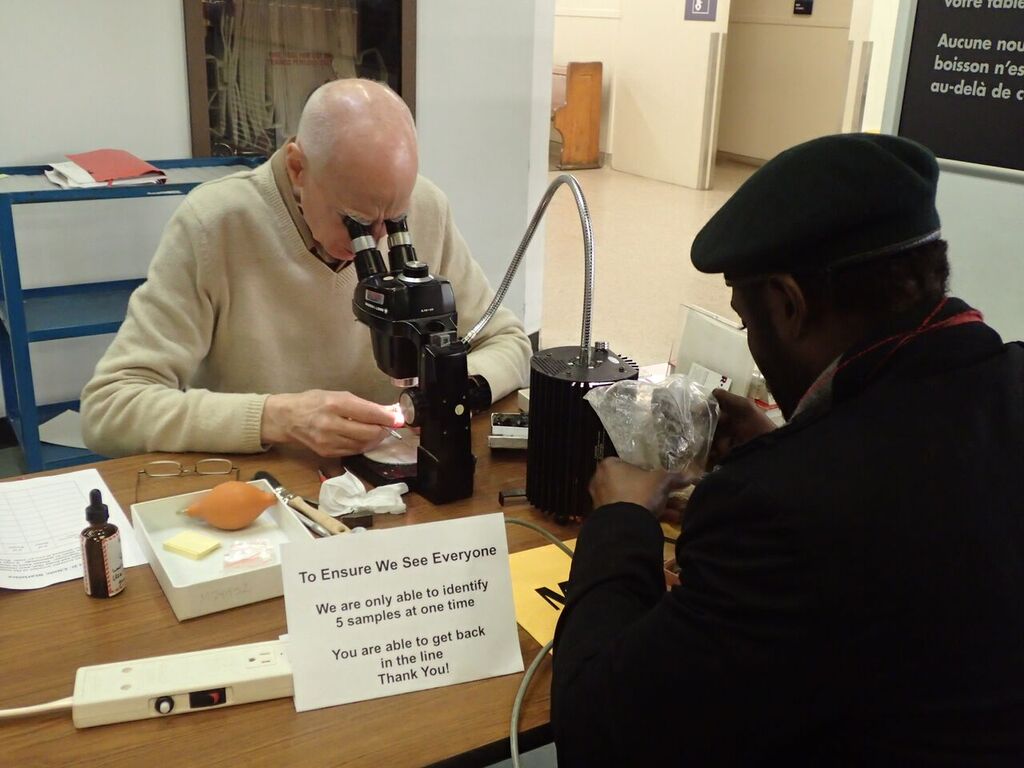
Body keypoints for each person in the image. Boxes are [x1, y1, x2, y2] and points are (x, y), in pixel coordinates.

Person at [551, 133, 1024, 766]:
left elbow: (595, 732)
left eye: (749, 321)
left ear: (790, 304)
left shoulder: (776, 513)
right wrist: (795, 443)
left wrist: (621, 520)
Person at [81, 79, 530, 458]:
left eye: (394, 220)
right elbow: (110, 409)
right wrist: (274, 417)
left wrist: (448, 393)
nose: (376, 241)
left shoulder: (427, 206)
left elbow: (508, 342)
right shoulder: (213, 225)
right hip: (266, 490)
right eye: (355, 221)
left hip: (391, 481)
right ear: (298, 169)